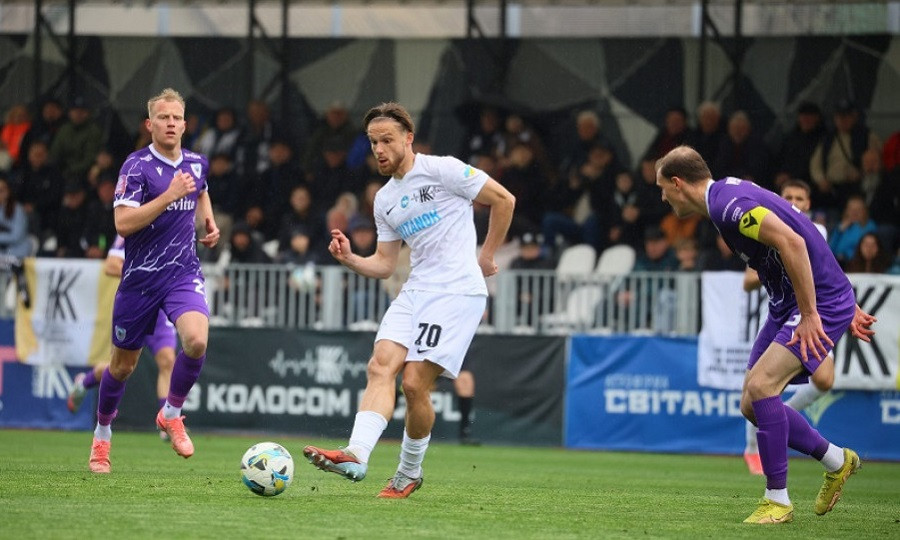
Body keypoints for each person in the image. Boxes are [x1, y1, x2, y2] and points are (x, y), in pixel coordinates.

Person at [303, 102, 515, 498]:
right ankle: (356, 454)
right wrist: (350, 259)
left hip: (456, 292)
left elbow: (504, 200)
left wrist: (486, 256)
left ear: (408, 138)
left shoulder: (443, 170)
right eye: (373, 142)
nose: (379, 149)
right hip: (416, 289)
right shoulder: (385, 199)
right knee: (379, 365)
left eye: (387, 140)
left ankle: (408, 472)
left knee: (414, 384)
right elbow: (385, 264)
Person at [655, 145, 876, 524]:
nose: (662, 198)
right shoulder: (725, 195)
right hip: (786, 304)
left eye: (662, 189)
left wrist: (816, 311)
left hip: (814, 304)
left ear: (678, 183)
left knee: (761, 387)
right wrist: (844, 296)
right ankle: (837, 460)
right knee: (750, 404)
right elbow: (803, 227)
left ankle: (777, 501)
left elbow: (794, 241)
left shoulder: (728, 206)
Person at [87, 88, 220, 474]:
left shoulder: (196, 163)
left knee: (196, 341)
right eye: (163, 117)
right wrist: (169, 196)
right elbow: (123, 223)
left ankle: (171, 413)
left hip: (182, 273)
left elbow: (201, 192)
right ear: (150, 124)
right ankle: (102, 436)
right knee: (121, 368)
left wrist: (208, 223)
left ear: (185, 124)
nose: (171, 123)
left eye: (177, 117)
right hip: (140, 280)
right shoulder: (136, 166)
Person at [741, 179, 831, 475]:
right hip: (779, 315)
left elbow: (825, 271)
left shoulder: (817, 231)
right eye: (788, 196)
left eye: (799, 198)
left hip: (811, 314)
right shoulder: (765, 229)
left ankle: (778, 415)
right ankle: (753, 447)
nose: (793, 202)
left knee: (825, 380)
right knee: (757, 390)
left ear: (808, 204)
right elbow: (748, 281)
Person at [67, 234, 178, 442]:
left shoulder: (174, 225)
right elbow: (110, 266)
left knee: (167, 360)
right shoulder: (132, 224)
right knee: (119, 367)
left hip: (161, 309)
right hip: (135, 305)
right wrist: (145, 275)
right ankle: (84, 382)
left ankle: (168, 423)